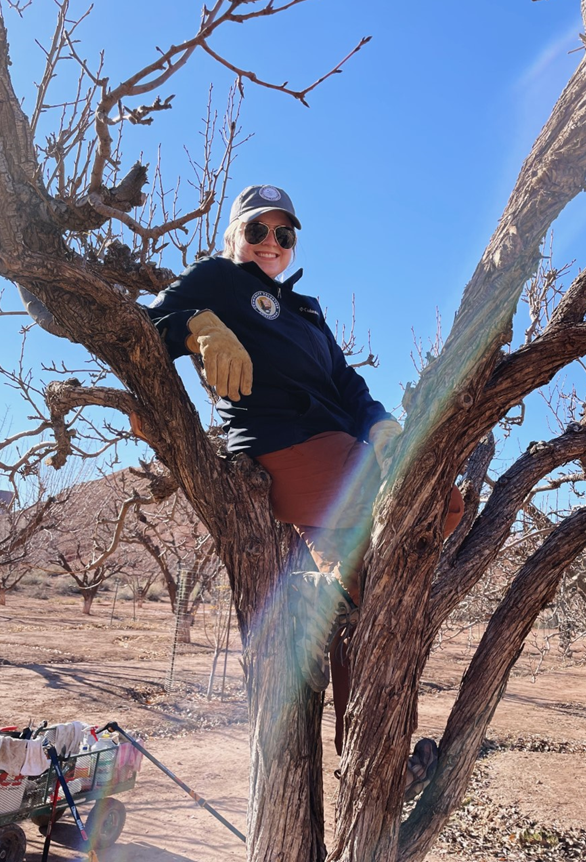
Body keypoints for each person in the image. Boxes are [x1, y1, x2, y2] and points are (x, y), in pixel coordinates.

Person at [145, 185, 465, 791]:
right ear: (234, 236)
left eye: (283, 234)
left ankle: (371, 759)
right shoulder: (217, 278)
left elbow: (346, 381)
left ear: (293, 245)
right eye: (256, 230)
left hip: (342, 443)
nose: (270, 243)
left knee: (428, 519)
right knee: (372, 569)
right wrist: (196, 326)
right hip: (285, 441)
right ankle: (335, 606)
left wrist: (382, 424)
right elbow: (141, 323)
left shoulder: (309, 311)